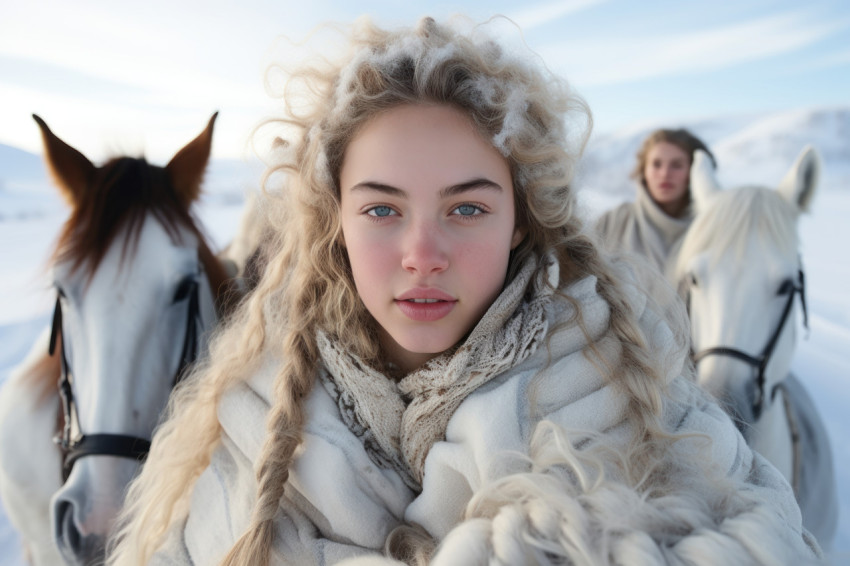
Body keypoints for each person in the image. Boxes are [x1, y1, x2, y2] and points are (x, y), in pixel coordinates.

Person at [107, 17, 819, 566]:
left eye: (468, 209)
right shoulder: (244, 428)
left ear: (519, 221)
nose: (423, 256)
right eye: (382, 209)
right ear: (336, 226)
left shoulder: (641, 400)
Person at [595, 129, 715, 276]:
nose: (665, 173)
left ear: (694, 172)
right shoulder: (612, 223)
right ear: (644, 170)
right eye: (656, 164)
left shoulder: (712, 228)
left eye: (676, 165)